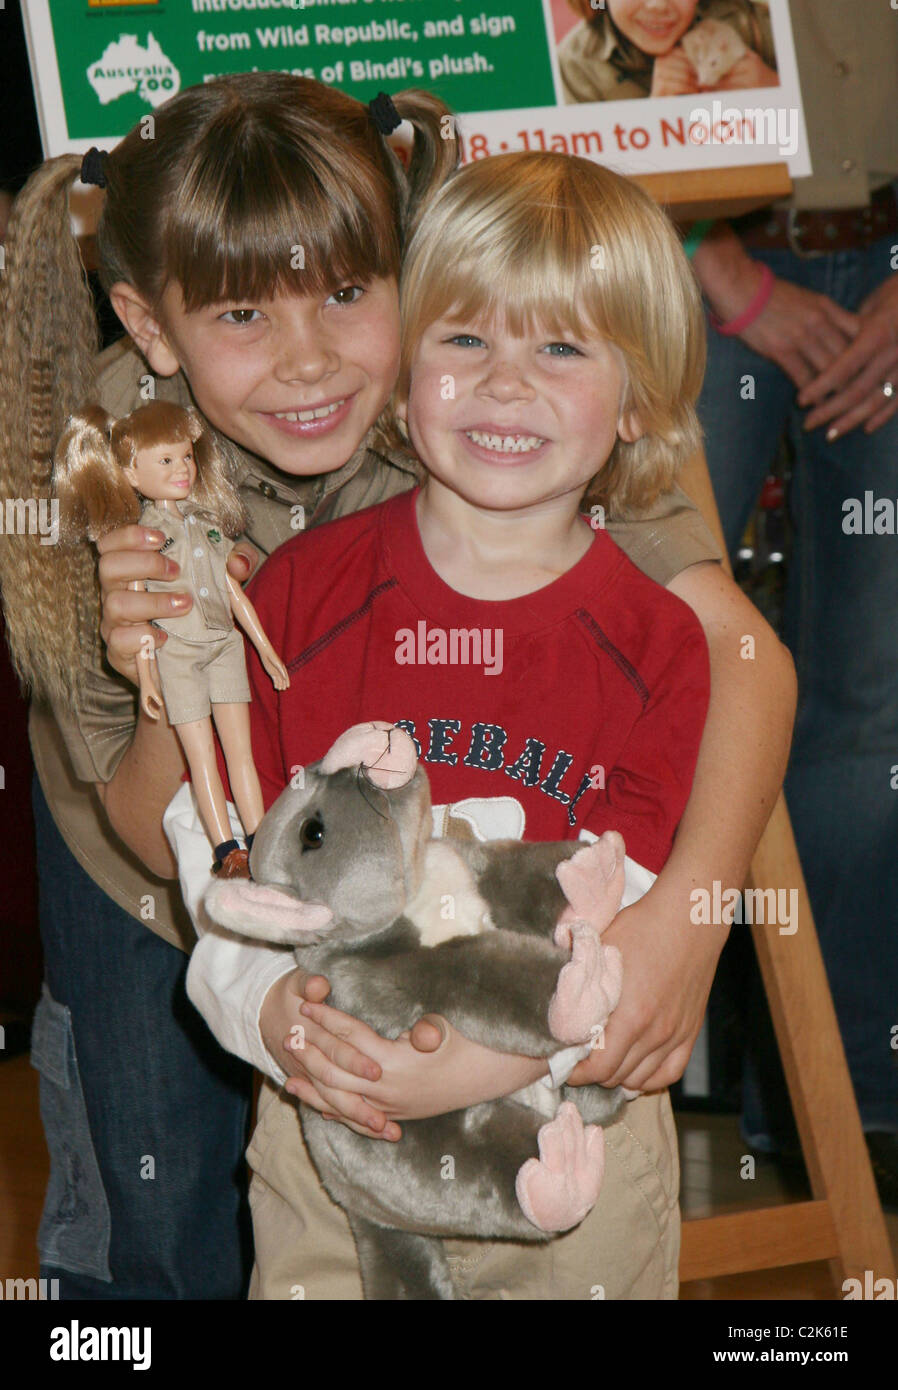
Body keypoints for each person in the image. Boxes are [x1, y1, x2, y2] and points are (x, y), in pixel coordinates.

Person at [0, 72, 795, 1298]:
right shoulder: (99, 468)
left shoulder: (496, 387)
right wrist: (163, 667)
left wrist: (688, 915)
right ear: (151, 331)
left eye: (349, 294)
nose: (309, 361)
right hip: (175, 849)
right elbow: (151, 831)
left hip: (433, 906)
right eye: (239, 317)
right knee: (151, 1225)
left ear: (407, 270)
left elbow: (743, 658)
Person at [167, 149, 715, 1298]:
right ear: (408, 371)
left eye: (560, 348)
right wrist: (262, 1010)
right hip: (326, 1128)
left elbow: (632, 914)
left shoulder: (656, 641)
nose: (504, 385)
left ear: (638, 403)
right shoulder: (297, 600)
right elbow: (215, 849)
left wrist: (480, 1059)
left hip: (568, 1144)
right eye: (464, 341)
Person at [688, 0, 898, 1202]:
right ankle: (593, 1072)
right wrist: (714, 263)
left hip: (884, 260)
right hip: (687, 242)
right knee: (658, 668)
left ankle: (844, 1102)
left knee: (873, 711)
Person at [558, 0, 777, 104]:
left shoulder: (751, 21)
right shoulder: (574, 65)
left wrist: (776, 90)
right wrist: (657, 123)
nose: (658, 5)